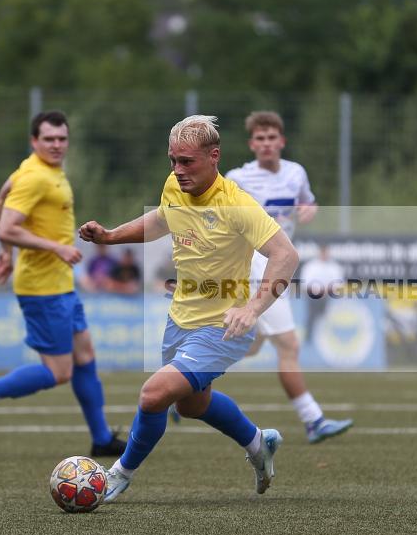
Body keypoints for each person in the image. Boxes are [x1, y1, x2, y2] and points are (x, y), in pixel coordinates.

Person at [78, 114, 299, 500]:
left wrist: (252, 308)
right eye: (173, 161)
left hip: (224, 326)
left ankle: (118, 473)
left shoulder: (237, 205)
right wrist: (112, 237)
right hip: (181, 318)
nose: (178, 171)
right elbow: (164, 219)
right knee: (194, 405)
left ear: (214, 156)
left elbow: (286, 255)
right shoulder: (174, 186)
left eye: (187, 162)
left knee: (153, 395)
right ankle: (257, 443)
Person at [0, 111, 126, 458]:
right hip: (42, 288)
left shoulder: (39, 171)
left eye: (62, 139)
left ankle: (101, 438)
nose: (57, 145)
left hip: (60, 284)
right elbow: (7, 227)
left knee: (85, 355)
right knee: (58, 372)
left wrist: (6, 255)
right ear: (34, 141)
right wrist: (56, 247)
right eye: (49, 139)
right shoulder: (34, 177)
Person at [225, 111, 353, 444]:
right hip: (254, 262)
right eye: (260, 139)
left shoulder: (296, 173)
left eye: (272, 138)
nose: (266, 144)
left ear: (281, 141)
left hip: (280, 262)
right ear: (252, 144)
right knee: (289, 344)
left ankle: (190, 387)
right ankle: (314, 420)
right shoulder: (238, 178)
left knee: (251, 345)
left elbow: (308, 204)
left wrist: (311, 209)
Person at [301, 242, 345, 343]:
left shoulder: (334, 267)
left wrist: (326, 290)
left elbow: (338, 284)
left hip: (330, 296)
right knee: (312, 315)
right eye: (323, 252)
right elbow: (305, 283)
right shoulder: (311, 266)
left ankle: (331, 338)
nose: (325, 254)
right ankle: (309, 339)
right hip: (313, 296)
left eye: (326, 252)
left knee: (330, 314)